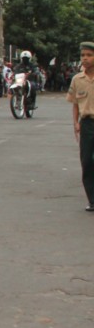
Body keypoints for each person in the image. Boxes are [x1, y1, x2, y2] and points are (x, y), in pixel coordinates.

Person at [67, 41, 94, 211]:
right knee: (86, 162)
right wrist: (75, 123)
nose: (85, 58)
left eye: (89, 55)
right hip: (87, 124)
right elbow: (75, 104)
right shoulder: (77, 79)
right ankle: (92, 199)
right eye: (83, 55)